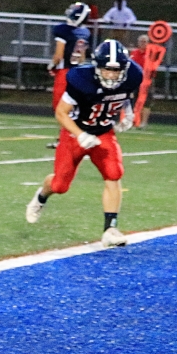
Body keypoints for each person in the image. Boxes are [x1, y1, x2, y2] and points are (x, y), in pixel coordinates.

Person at [25, 39, 142, 248]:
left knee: (114, 173)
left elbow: (126, 92)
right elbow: (61, 113)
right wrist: (80, 134)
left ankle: (110, 229)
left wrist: (128, 110)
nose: (113, 75)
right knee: (60, 186)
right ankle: (41, 196)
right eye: (108, 70)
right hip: (75, 133)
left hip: (104, 132)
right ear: (97, 66)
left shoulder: (133, 74)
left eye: (117, 71)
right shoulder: (81, 79)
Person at [47, 2, 91, 148]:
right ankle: (66, 137)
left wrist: (52, 65)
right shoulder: (84, 33)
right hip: (78, 72)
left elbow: (59, 54)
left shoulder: (63, 30)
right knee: (73, 106)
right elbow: (83, 56)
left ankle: (67, 138)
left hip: (65, 72)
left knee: (60, 107)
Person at [128, 34, 152, 129]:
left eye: (144, 41)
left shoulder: (150, 53)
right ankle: (135, 121)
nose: (142, 43)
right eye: (141, 41)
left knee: (146, 101)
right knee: (134, 101)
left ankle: (144, 122)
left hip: (146, 80)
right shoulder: (134, 53)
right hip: (135, 79)